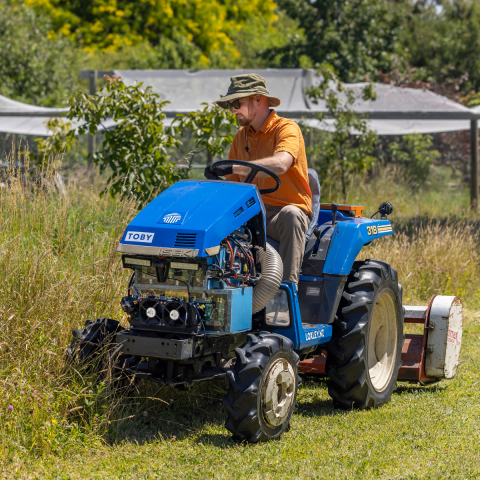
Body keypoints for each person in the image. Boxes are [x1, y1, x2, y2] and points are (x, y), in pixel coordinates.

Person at [205, 73, 312, 286]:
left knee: (292, 215)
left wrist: (234, 166)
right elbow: (235, 187)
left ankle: (286, 294)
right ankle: (214, 290)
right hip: (253, 214)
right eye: (230, 105)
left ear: (258, 100)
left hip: (281, 215)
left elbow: (281, 163)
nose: (233, 110)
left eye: (236, 103)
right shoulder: (241, 136)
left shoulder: (286, 128)